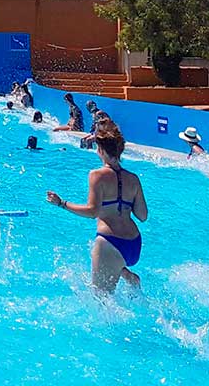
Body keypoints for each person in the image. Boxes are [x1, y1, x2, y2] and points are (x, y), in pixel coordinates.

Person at [46, 121, 147, 294]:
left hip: (110, 242)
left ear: (100, 149)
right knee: (113, 264)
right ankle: (127, 275)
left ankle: (124, 274)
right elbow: (143, 216)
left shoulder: (96, 175)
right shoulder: (133, 179)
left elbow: (92, 212)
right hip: (134, 244)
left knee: (101, 300)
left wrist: (62, 204)